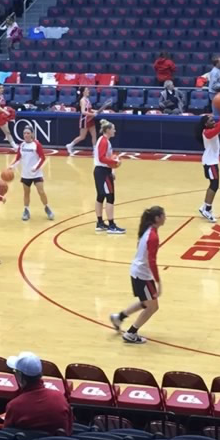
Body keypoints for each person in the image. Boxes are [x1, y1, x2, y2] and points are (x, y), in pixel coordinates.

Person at [110, 205, 167, 344]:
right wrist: (158, 282)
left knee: (145, 302)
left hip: (137, 271)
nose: (165, 217)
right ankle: (131, 333)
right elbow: (152, 261)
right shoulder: (152, 236)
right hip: (142, 274)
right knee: (153, 307)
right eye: (163, 215)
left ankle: (119, 317)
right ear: (157, 218)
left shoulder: (147, 230)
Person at [1, 352, 72, 434]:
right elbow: (69, 429)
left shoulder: (14, 406)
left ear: (20, 376)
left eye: (15, 372)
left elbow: (7, 434)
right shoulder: (60, 398)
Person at [13, 121, 55, 222]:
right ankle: (26, 210)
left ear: (32, 134)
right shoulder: (22, 145)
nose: (26, 135)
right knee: (26, 193)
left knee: (41, 191)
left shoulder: (36, 144)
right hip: (25, 174)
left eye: (28, 133)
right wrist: (11, 166)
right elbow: (18, 158)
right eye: (24, 133)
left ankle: (47, 208)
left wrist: (36, 167)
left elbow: (42, 158)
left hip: (36, 174)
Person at [94, 121, 124, 234]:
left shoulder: (103, 140)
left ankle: (100, 223)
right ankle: (111, 225)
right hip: (102, 171)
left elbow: (104, 157)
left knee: (100, 196)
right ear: (108, 130)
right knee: (110, 197)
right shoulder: (104, 142)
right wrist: (114, 161)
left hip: (101, 171)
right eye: (113, 129)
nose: (115, 131)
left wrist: (112, 168)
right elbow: (102, 158)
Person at [199, 107, 220, 221]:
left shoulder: (212, 129)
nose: (213, 121)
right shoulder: (207, 132)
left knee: (213, 185)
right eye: (211, 120)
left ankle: (205, 207)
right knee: (214, 185)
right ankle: (207, 209)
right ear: (206, 124)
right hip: (210, 162)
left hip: (212, 162)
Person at [64, 89, 96, 156]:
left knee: (94, 135)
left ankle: (95, 151)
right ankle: (70, 145)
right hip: (85, 119)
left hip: (91, 118)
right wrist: (92, 114)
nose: (89, 91)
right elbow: (83, 112)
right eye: (87, 90)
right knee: (82, 136)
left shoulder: (88, 99)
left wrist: (96, 111)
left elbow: (89, 109)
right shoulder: (82, 100)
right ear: (83, 92)